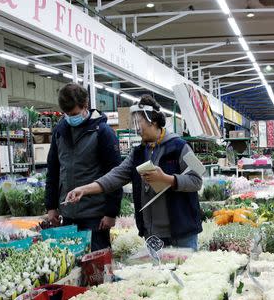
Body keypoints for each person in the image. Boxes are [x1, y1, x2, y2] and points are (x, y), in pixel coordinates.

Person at [65, 95, 203, 250]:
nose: (137, 128)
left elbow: (197, 180)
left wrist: (167, 179)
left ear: (154, 121)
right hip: (153, 235)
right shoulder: (138, 153)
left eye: (139, 123)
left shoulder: (181, 147)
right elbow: (116, 176)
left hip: (182, 233)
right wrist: (84, 189)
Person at [44, 83, 123, 251]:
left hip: (96, 217)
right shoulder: (59, 133)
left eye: (74, 114)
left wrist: (111, 212)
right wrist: (51, 207)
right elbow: (53, 172)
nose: (71, 118)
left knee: (96, 268)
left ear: (85, 106)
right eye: (66, 114)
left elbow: (115, 175)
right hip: (68, 215)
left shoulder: (102, 132)